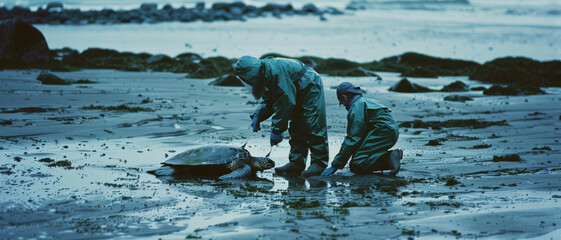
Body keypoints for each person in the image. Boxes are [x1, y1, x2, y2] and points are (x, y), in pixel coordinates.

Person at [234, 56, 329, 177]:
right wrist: (258, 115)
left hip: (309, 86)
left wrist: (277, 130)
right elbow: (270, 99)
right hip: (294, 90)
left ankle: (319, 163)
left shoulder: (276, 73)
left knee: (312, 124)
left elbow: (285, 101)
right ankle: (297, 162)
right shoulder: (264, 74)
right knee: (296, 127)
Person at [321, 82, 403, 176]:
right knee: (362, 155)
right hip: (391, 131)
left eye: (342, 103)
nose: (344, 106)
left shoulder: (356, 107)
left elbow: (353, 138)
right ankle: (388, 157)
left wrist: (335, 165)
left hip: (382, 131)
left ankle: (389, 157)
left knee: (357, 164)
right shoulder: (365, 101)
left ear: (344, 97)